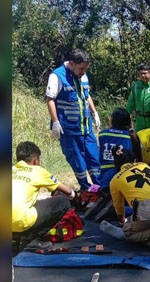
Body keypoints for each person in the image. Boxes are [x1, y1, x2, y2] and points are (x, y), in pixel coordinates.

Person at [46, 49, 101, 191]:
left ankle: (100, 187)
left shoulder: (82, 75)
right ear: (71, 63)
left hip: (85, 126)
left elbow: (86, 95)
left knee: (94, 157)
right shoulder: (57, 76)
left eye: (85, 68)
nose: (83, 71)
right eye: (81, 68)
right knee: (78, 161)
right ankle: (86, 188)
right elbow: (50, 99)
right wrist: (56, 122)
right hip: (69, 128)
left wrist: (94, 113)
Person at [11, 142, 76, 253]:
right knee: (62, 202)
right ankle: (30, 239)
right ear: (36, 160)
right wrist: (75, 196)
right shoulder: (38, 171)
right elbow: (67, 191)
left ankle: (15, 237)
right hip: (20, 220)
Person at [97, 108, 136, 190]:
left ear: (112, 120)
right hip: (125, 180)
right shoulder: (131, 137)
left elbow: (97, 154)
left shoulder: (102, 135)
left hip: (104, 180)